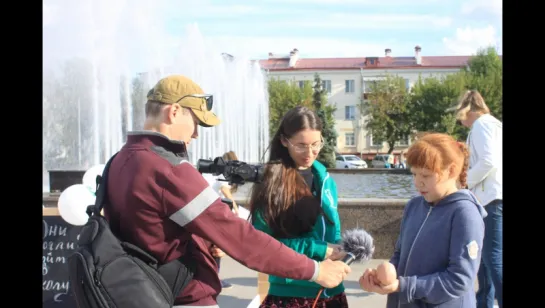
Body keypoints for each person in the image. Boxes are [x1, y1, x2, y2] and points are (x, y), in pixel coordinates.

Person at [103, 75, 351, 308]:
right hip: (179, 295)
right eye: (196, 123)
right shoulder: (170, 170)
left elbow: (146, 231)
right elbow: (242, 238)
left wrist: (204, 241)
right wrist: (315, 270)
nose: (196, 134)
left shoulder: (119, 161)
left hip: (138, 291)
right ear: (174, 112)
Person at [359, 132, 486, 308]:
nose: (418, 183)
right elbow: (399, 255)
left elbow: (459, 279)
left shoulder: (464, 213)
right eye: (414, 174)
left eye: (426, 176)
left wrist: (402, 286)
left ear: (451, 170)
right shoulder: (414, 205)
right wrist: (383, 277)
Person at [249, 106, 349, 308]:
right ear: (284, 141)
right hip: (290, 294)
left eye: (316, 144)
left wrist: (339, 249)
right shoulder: (270, 184)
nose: (310, 153)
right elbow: (263, 246)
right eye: (301, 145)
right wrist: (320, 250)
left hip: (332, 292)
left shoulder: (325, 180)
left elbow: (333, 228)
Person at [455, 90, 502, 308]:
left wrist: (465, 182)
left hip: (491, 199)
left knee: (492, 258)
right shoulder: (492, 124)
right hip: (493, 197)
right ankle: (484, 303)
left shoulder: (482, 125)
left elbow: (488, 162)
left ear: (467, 109)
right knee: (486, 259)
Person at [202, 150, 241, 290]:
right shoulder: (222, 176)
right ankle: (215, 278)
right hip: (214, 216)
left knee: (214, 249)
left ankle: (213, 277)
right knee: (217, 248)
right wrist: (234, 206)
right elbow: (225, 190)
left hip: (206, 214)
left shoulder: (213, 175)